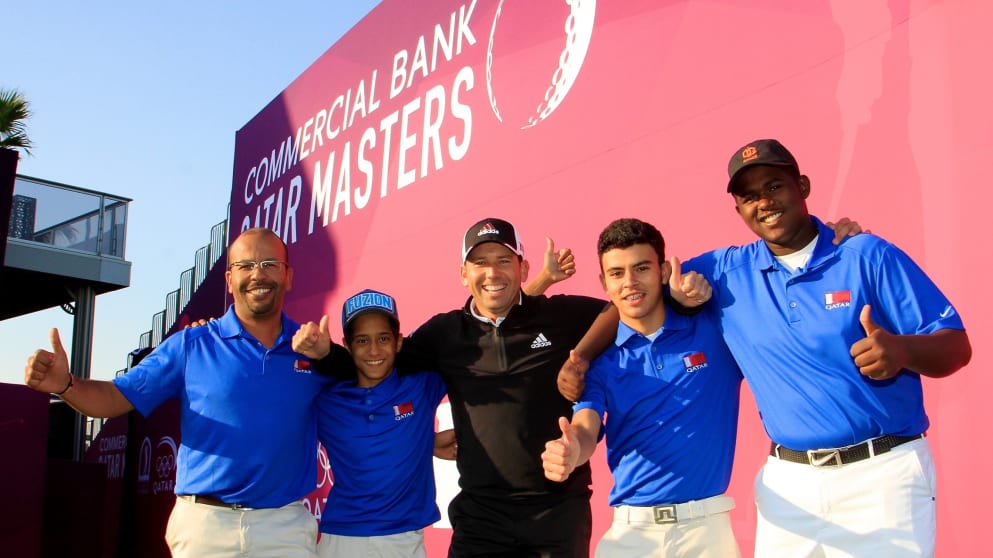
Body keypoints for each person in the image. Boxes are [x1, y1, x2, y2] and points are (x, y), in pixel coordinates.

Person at [295, 217, 710, 558]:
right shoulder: (444, 334)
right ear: (463, 274)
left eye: (503, 260)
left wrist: (582, 355)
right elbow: (377, 360)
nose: (492, 272)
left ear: (523, 269)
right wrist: (325, 354)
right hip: (481, 518)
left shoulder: (561, 315)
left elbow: (621, 305)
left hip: (558, 514)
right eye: (479, 263)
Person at [24, 227, 333, 558]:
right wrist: (66, 385)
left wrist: (331, 358)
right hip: (206, 528)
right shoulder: (190, 345)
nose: (258, 274)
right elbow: (115, 397)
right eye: (246, 265)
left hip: (284, 528)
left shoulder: (314, 352)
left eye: (270, 263)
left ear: (288, 276)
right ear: (229, 280)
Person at [541, 218, 743, 557]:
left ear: (663, 272)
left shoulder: (714, 330)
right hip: (632, 537)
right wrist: (573, 449)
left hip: (708, 532)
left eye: (641, 268)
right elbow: (585, 427)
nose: (630, 282)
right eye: (617, 273)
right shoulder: (599, 364)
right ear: (603, 282)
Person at [315, 288, 449, 558]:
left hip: (403, 540)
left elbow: (488, 326)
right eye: (362, 341)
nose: (374, 350)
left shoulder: (422, 386)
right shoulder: (325, 399)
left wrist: (426, 441)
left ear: (398, 342)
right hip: (340, 539)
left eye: (383, 338)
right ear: (347, 345)